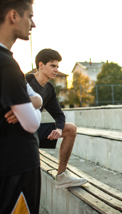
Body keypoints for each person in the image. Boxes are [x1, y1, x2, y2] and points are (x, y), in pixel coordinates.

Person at [0, 0, 43, 214]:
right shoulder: (3, 64)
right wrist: (35, 105)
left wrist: (33, 101)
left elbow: (35, 97)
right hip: (16, 165)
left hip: (0, 164)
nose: (32, 24)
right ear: (14, 16)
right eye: (29, 16)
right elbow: (33, 124)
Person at [24, 48, 87, 189]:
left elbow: (59, 115)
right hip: (17, 132)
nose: (56, 69)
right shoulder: (25, 80)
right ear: (41, 65)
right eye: (53, 65)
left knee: (70, 129)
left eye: (57, 66)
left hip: (33, 131)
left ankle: (62, 176)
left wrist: (58, 129)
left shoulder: (49, 89)